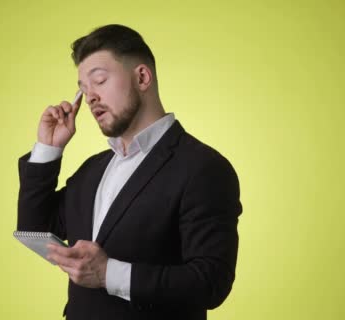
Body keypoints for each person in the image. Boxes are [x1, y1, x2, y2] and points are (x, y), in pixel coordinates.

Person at [16, 24, 242, 320]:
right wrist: (48, 148)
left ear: (142, 77)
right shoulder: (92, 170)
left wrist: (109, 274)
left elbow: (211, 282)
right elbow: (35, 231)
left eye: (99, 81)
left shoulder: (204, 168)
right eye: (83, 90)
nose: (91, 97)